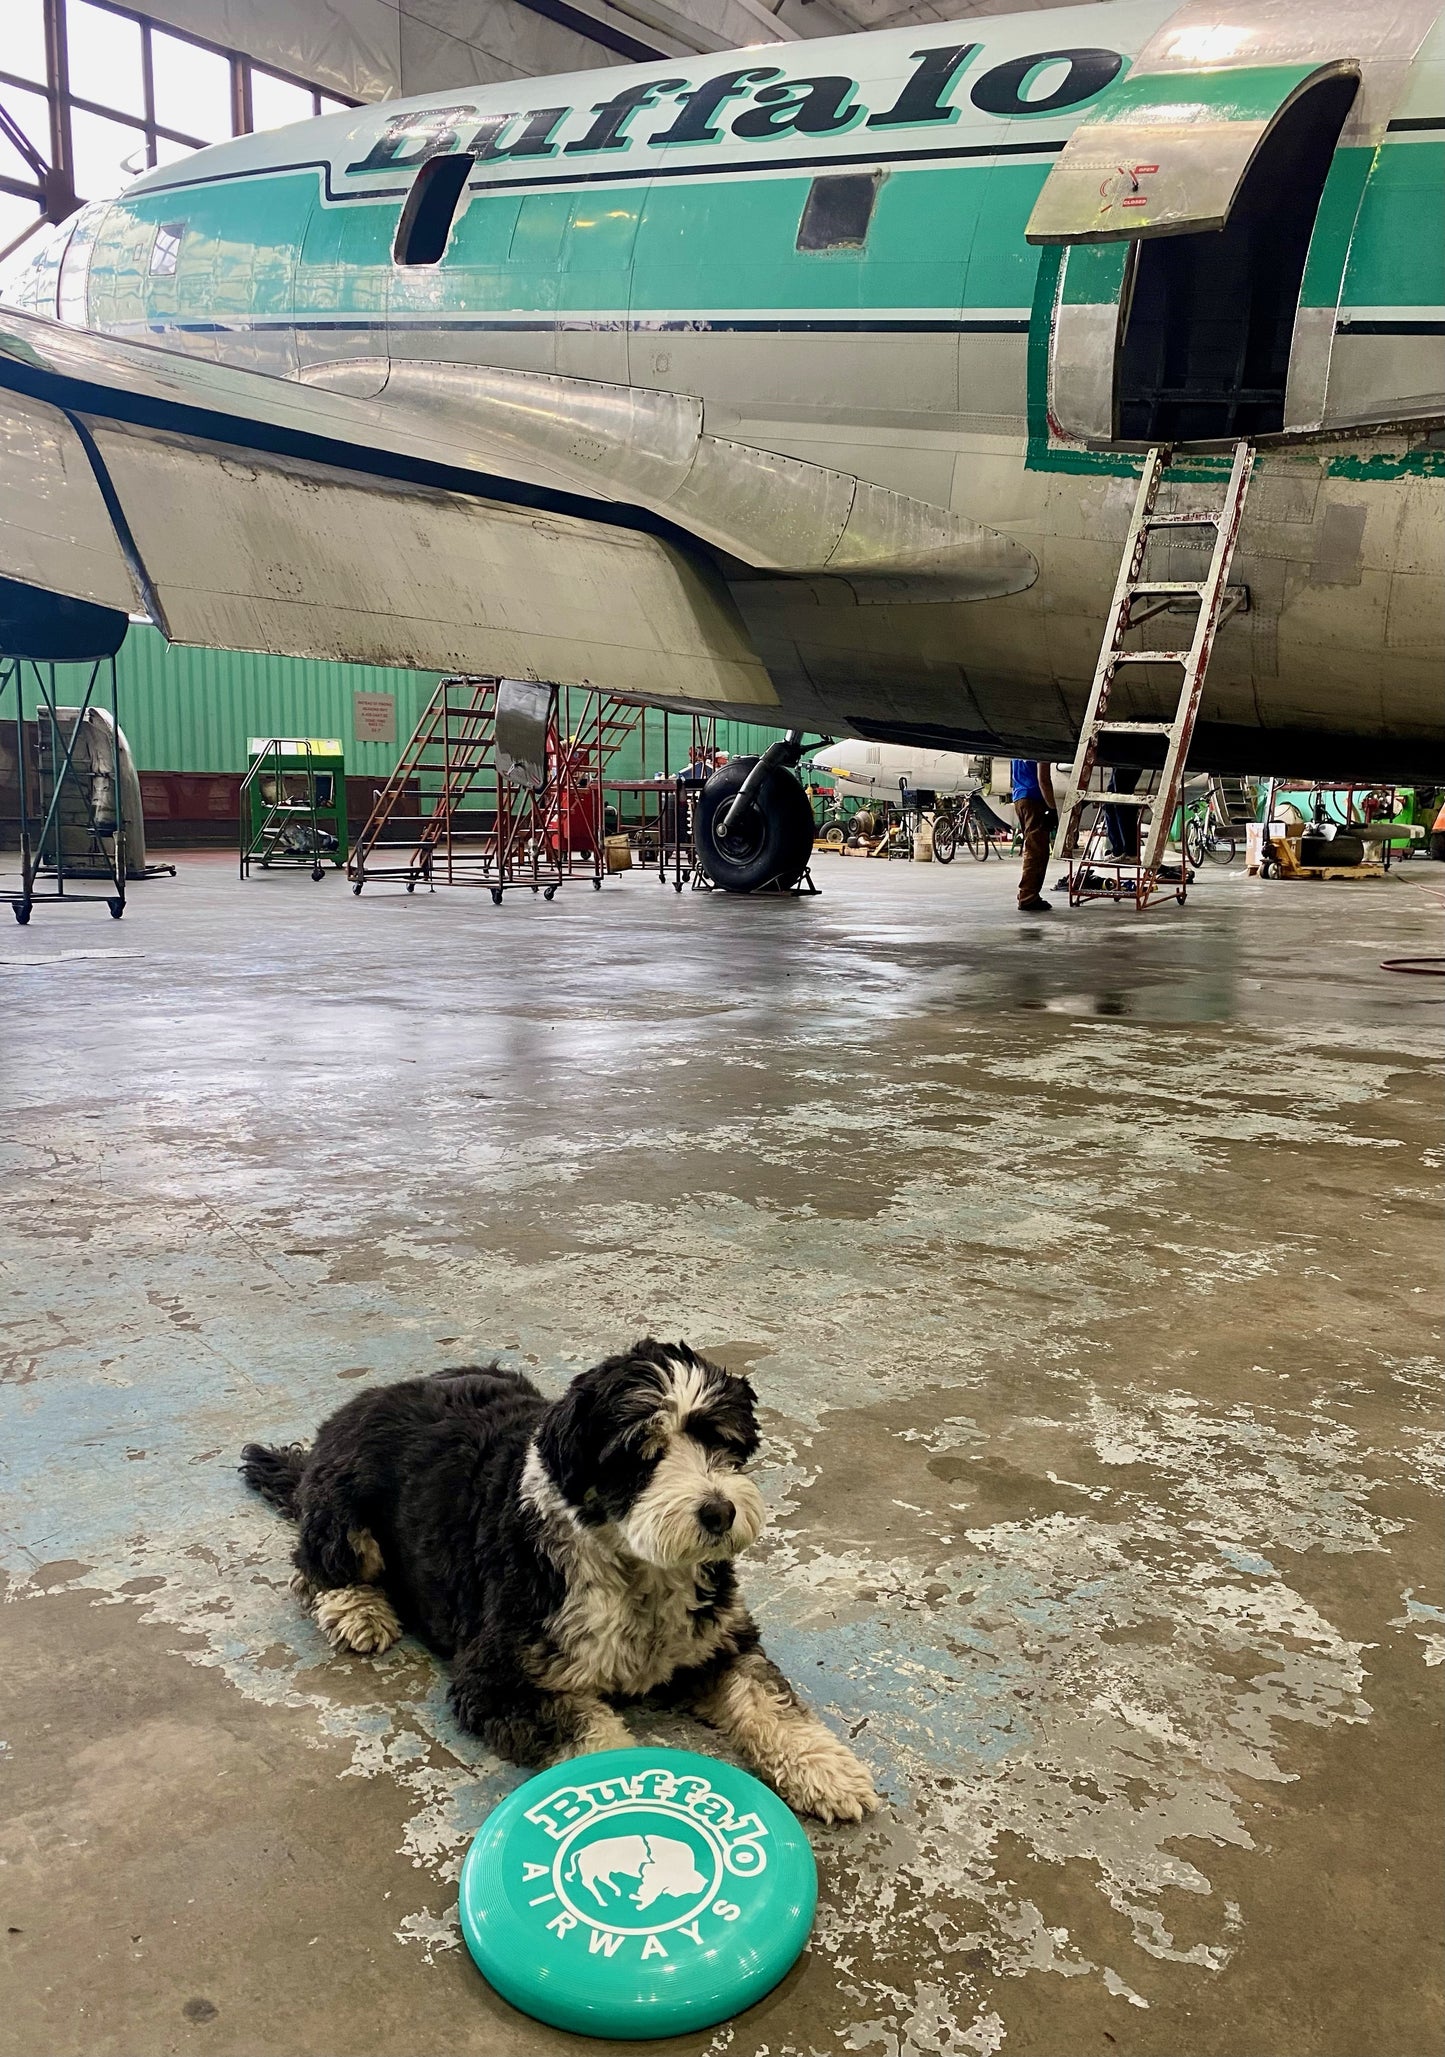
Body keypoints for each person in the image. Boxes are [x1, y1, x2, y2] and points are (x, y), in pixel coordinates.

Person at [1012, 758, 1057, 911]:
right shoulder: (1041, 746)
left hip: (1020, 797)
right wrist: (1052, 808)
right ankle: (1028, 896)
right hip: (1034, 799)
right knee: (1037, 850)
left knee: (1032, 847)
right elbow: (1043, 779)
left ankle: (1027, 893)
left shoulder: (1017, 748)